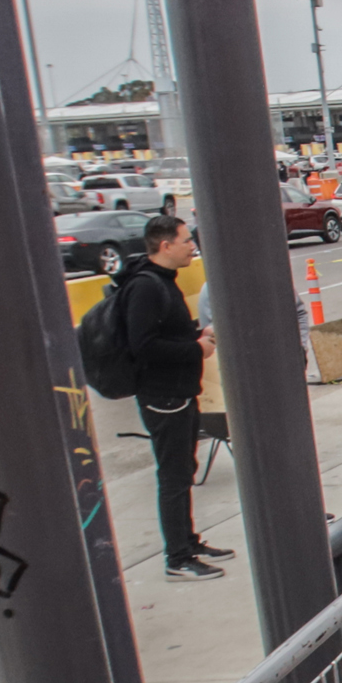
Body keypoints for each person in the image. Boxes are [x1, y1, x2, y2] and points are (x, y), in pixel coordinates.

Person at [118, 212, 222, 580]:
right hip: (163, 396)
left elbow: (167, 333)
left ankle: (188, 540)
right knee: (174, 476)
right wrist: (196, 349)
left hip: (180, 391)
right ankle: (177, 557)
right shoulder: (146, 287)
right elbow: (144, 346)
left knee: (184, 470)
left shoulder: (163, 281)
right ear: (165, 245)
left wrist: (197, 332)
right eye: (186, 240)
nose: (192, 246)